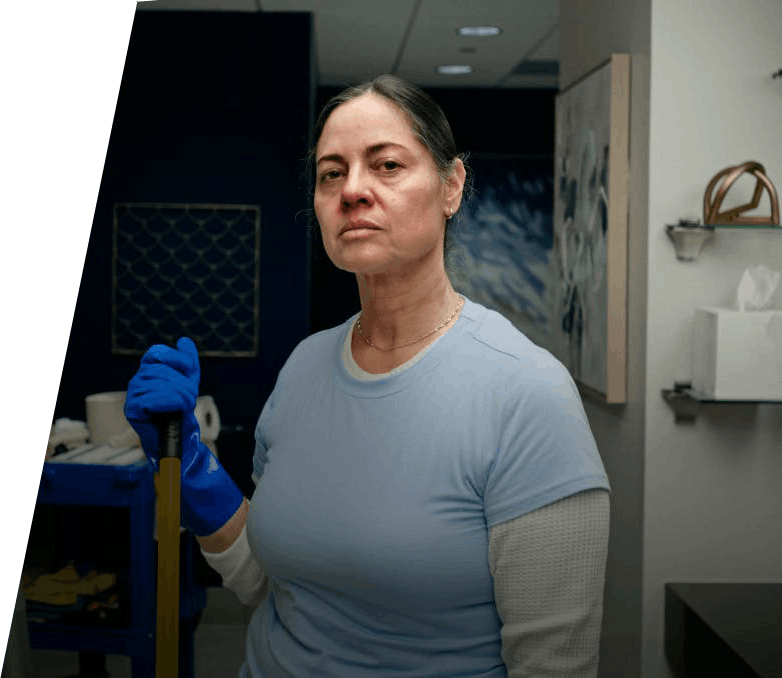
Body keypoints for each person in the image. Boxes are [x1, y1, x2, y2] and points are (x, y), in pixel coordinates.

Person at [125, 74, 611, 678]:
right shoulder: (305, 366)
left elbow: (553, 668)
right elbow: (272, 582)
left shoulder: (529, 394)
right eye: (332, 173)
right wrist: (195, 474)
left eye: (385, 165)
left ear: (451, 186)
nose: (352, 190)